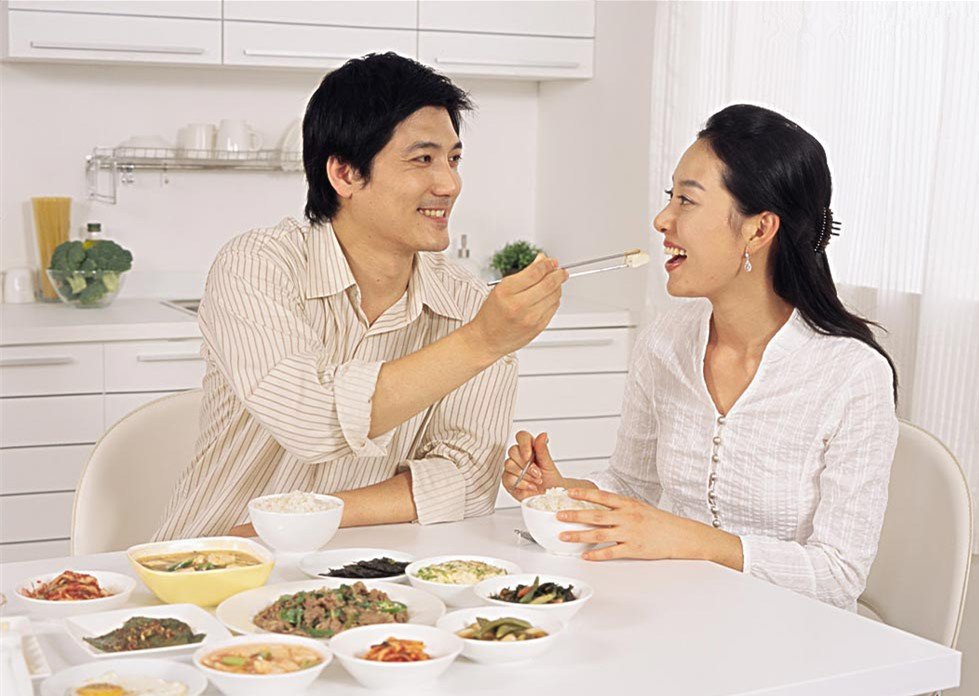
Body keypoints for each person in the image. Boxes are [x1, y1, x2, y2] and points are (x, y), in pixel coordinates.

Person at [154, 52, 567, 541]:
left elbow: (468, 480)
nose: (450, 184)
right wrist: (481, 342)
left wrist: (305, 516)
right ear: (345, 174)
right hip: (213, 558)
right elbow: (311, 419)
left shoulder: (469, 305)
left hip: (357, 564)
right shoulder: (257, 264)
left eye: (453, 159)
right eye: (423, 159)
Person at [504, 104, 899, 611]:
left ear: (758, 230)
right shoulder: (665, 340)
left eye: (686, 201)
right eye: (669, 197)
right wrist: (561, 492)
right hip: (675, 612)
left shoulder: (852, 375)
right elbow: (632, 486)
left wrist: (690, 540)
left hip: (792, 635)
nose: (662, 219)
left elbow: (839, 576)